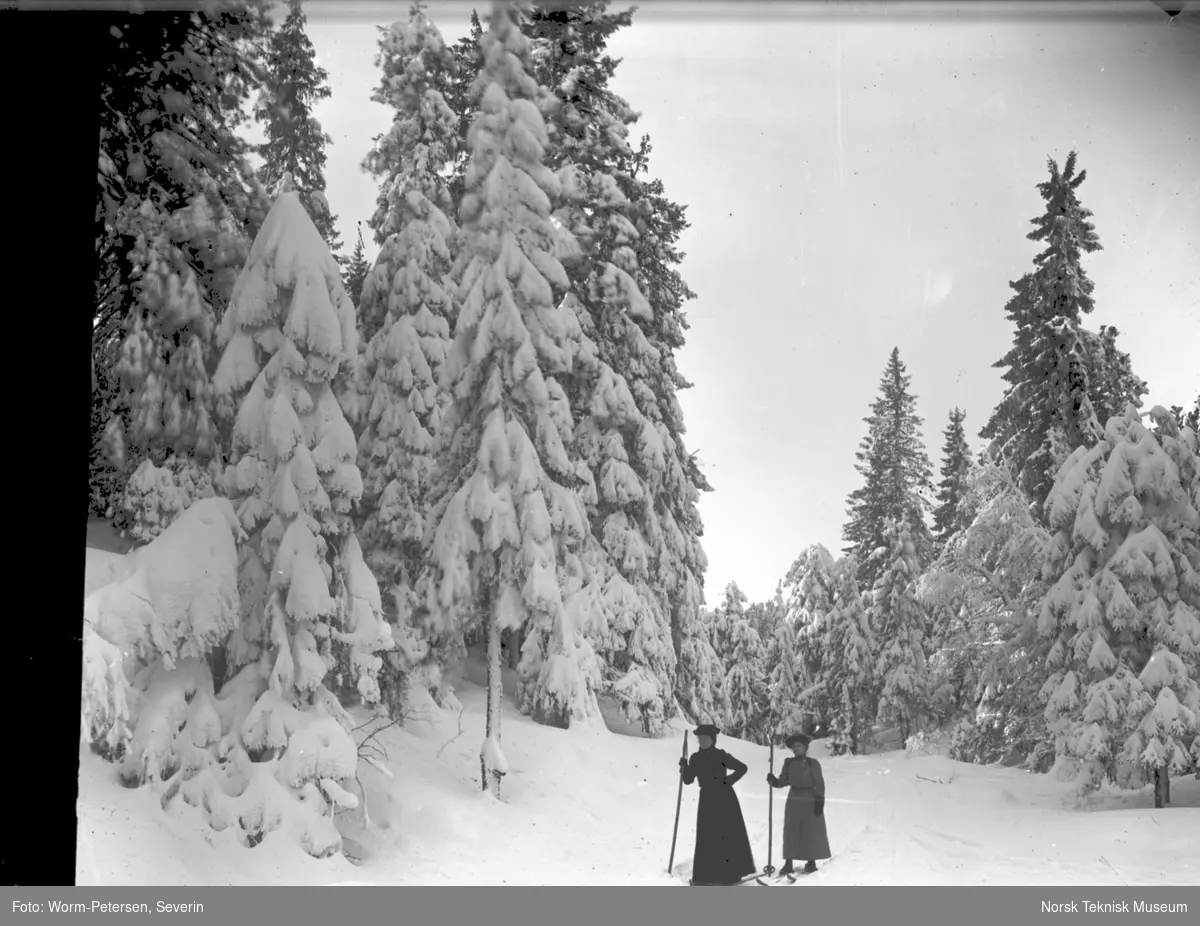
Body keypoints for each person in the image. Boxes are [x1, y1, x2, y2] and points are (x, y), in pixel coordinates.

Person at [679, 724, 757, 885]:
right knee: (707, 836)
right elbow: (687, 780)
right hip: (707, 798)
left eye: (705, 738)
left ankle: (730, 875)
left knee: (726, 835)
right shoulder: (695, 758)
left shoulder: (721, 755)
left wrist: (728, 781)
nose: (702, 740)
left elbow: (742, 768)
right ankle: (704, 877)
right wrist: (684, 767)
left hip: (724, 798)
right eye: (700, 738)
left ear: (712, 739)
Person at [766, 732, 831, 875]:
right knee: (791, 830)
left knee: (810, 829)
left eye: (799, 746)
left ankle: (811, 861)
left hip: (810, 798)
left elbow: (819, 783)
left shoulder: (813, 763)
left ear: (805, 747)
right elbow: (783, 781)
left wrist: (820, 801)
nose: (796, 749)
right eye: (793, 747)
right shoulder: (788, 763)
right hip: (794, 799)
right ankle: (788, 863)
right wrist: (774, 781)